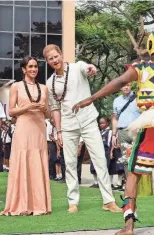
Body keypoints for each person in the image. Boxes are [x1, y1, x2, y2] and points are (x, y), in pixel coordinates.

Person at [72, 25, 154, 235]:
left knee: (134, 174)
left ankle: (129, 226)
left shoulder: (142, 64)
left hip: (153, 122)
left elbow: (119, 81)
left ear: (151, 44)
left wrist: (92, 98)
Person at [44, 44, 121, 213]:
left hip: (88, 120)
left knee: (100, 159)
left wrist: (91, 68)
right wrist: (59, 131)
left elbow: (88, 68)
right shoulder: (50, 83)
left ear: (61, 55)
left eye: (56, 56)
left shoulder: (78, 67)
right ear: (47, 61)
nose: (55, 60)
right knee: (70, 163)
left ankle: (108, 201)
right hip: (68, 126)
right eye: (51, 58)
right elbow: (55, 108)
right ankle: (73, 202)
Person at [0, 56, 51, 216]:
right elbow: (11, 111)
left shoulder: (43, 88)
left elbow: (48, 113)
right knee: (23, 161)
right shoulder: (16, 86)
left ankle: (39, 205)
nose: (34, 69)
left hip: (39, 130)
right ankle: (21, 204)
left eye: (35, 66)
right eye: (30, 66)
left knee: (38, 162)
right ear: (24, 69)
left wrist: (43, 108)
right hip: (23, 128)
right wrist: (27, 107)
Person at [112, 83, 140, 177]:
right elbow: (115, 118)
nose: (126, 87)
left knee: (139, 158)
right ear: (120, 87)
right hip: (122, 131)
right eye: (124, 85)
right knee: (125, 158)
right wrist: (113, 134)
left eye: (128, 85)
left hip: (136, 131)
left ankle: (140, 185)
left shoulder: (138, 98)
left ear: (131, 86)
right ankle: (129, 183)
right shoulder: (116, 101)